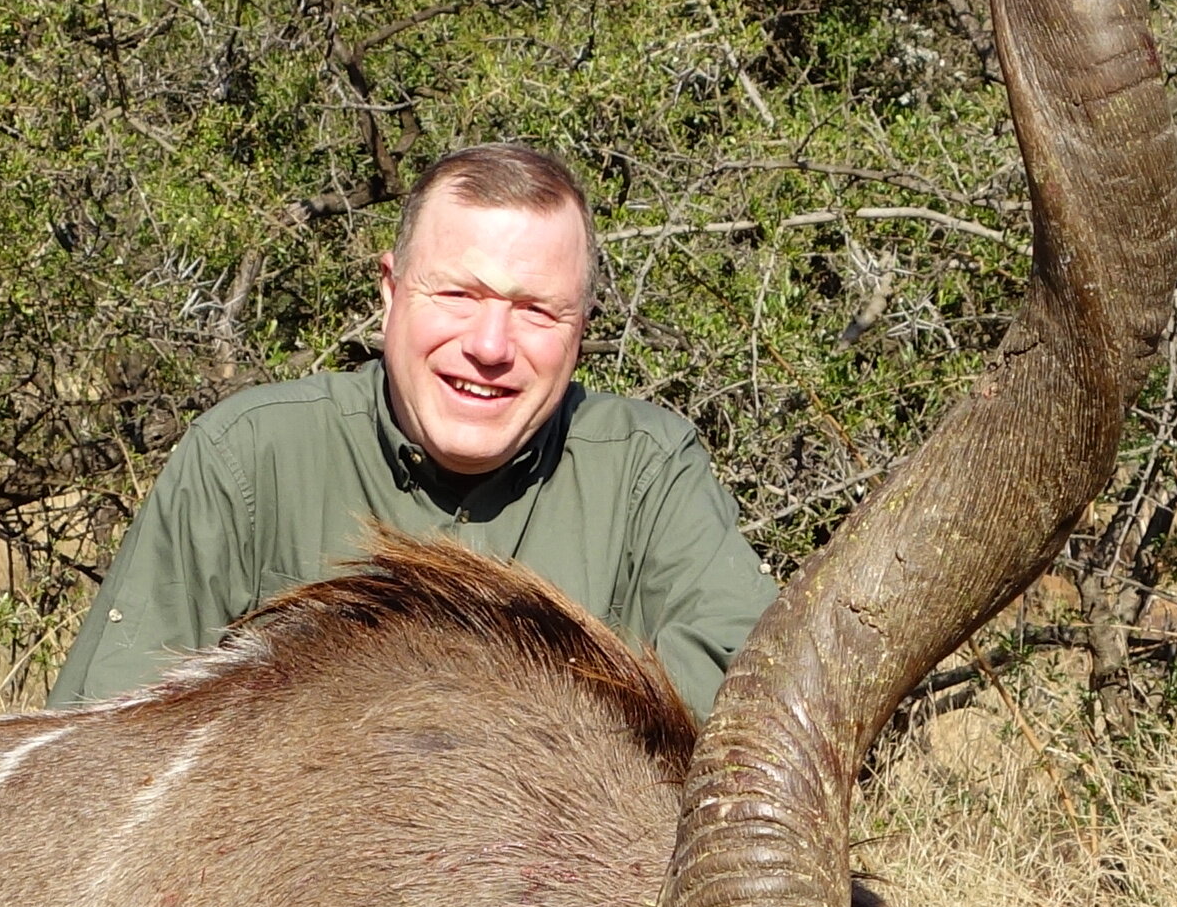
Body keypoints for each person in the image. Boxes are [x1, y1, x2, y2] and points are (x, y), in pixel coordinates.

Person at [51, 145, 776, 717]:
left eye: (535, 311)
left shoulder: (649, 471)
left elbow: (742, 694)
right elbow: (107, 739)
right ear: (390, 291)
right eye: (458, 294)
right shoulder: (247, 457)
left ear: (581, 328)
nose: (489, 346)